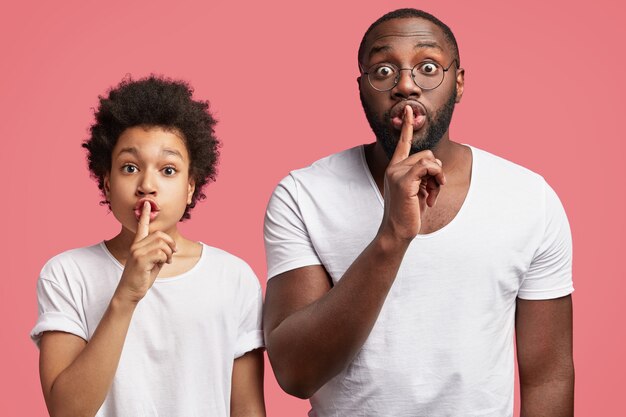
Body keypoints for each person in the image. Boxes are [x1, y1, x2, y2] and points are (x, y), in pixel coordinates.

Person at [263, 8, 574, 417]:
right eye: (383, 70)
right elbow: (295, 373)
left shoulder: (529, 197)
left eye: (428, 67)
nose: (406, 85)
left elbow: (549, 376)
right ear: (361, 88)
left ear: (459, 83)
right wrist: (391, 237)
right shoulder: (304, 195)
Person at [30, 76, 265, 417]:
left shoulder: (234, 277)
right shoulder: (66, 274)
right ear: (108, 184)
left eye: (168, 170)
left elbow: (248, 409)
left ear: (190, 187)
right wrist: (126, 295)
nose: (147, 185)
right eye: (130, 167)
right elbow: (66, 411)